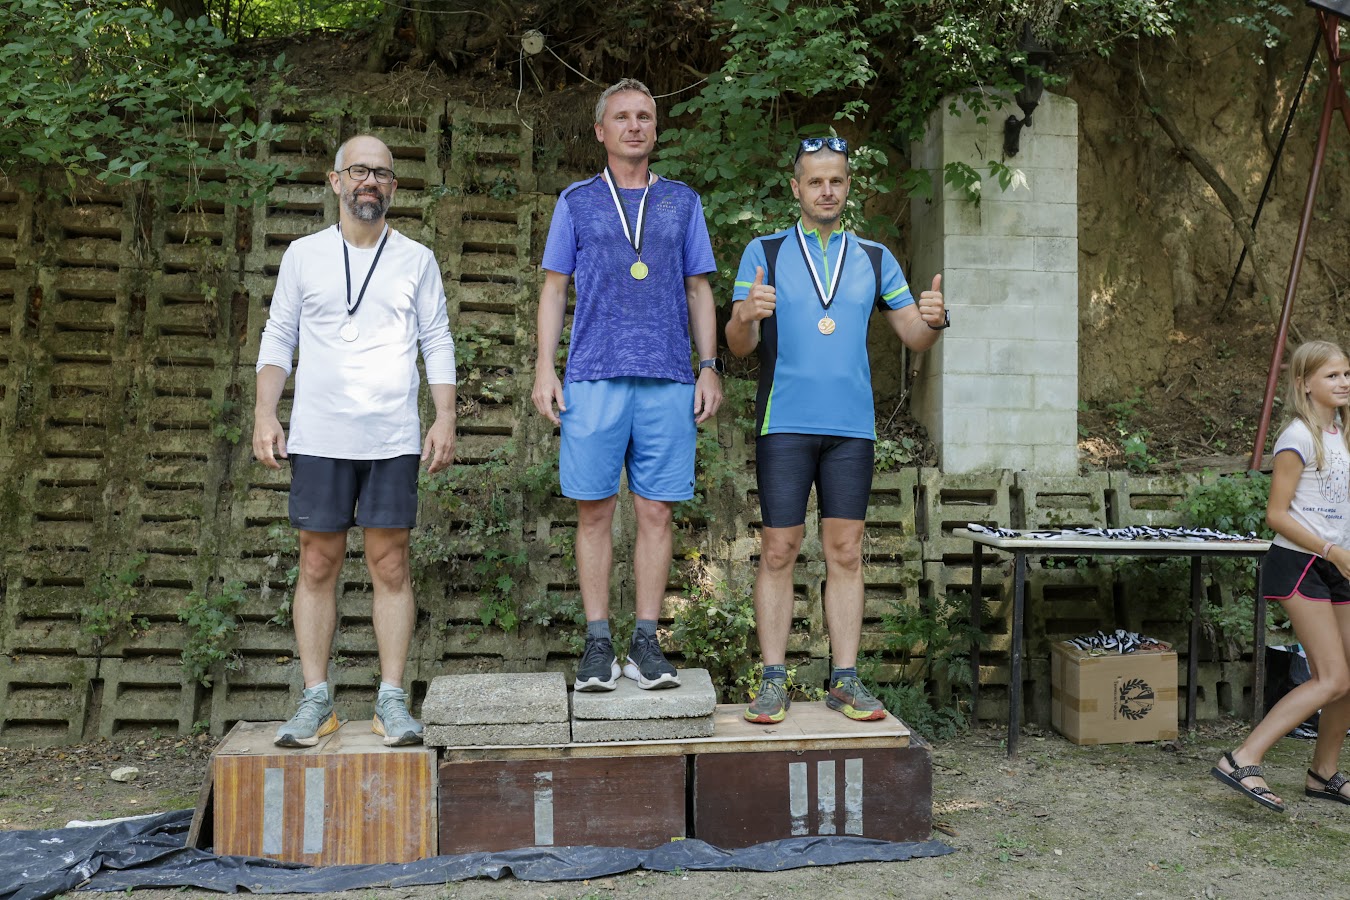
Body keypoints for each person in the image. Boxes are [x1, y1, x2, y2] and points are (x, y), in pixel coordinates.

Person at [726, 136, 947, 724]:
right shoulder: (764, 252)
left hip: (851, 429)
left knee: (845, 551)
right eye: (815, 181)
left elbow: (914, 334)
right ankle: (773, 680)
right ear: (796, 188)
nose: (826, 191)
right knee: (779, 549)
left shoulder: (874, 257)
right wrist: (744, 315)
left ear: (849, 187)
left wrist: (935, 321)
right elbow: (739, 345)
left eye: (837, 181)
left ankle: (845, 680)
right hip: (785, 424)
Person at [253, 134, 457, 747]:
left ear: (393, 186)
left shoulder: (417, 259)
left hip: (391, 435)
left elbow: (436, 338)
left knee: (391, 563)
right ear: (335, 180)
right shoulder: (302, 255)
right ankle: (316, 699)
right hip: (319, 433)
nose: (371, 181)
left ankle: (391, 700)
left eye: (383, 173)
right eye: (359, 171)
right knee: (317, 562)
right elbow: (278, 334)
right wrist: (265, 413)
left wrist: (444, 416)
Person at [532, 78, 722, 692]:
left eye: (644, 116)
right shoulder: (577, 201)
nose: (634, 125)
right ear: (600, 131)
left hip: (668, 377)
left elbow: (698, 288)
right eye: (622, 117)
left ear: (655, 129)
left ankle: (645, 642)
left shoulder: (682, 202)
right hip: (593, 375)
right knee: (594, 511)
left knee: (656, 512)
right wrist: (545, 367)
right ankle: (597, 643)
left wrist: (709, 365)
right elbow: (554, 288)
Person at [1211, 340, 1350, 811]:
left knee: (1349, 675)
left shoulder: (1341, 433)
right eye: (1331, 375)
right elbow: (1276, 514)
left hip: (1338, 565)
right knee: (1331, 677)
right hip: (1302, 563)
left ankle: (1323, 773)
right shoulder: (1297, 436)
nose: (1343, 382)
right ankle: (1241, 758)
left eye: (1346, 373)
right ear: (1304, 383)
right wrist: (1331, 550)